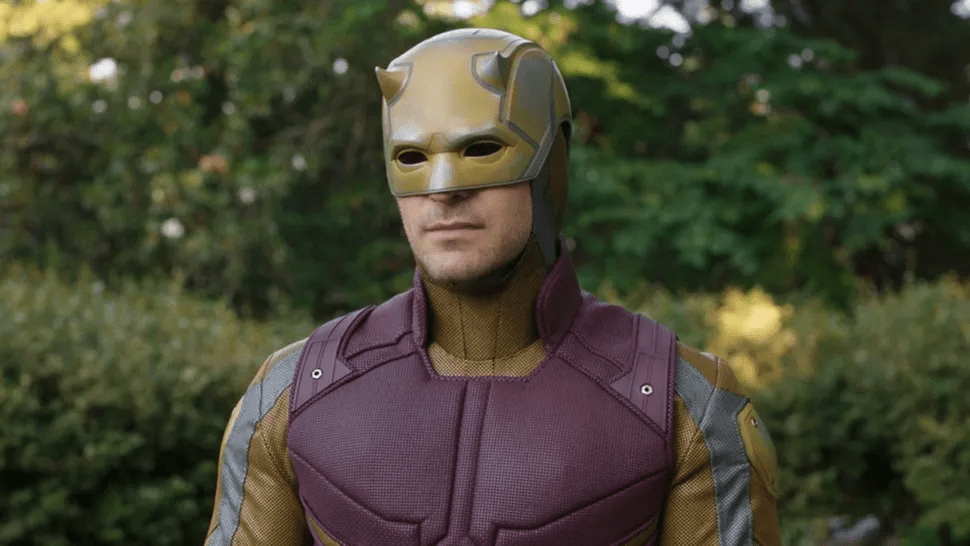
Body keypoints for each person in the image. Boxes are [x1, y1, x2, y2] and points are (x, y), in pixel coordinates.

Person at [205, 28, 779, 546]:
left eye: (481, 150)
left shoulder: (687, 405)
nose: (443, 190)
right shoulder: (290, 395)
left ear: (554, 161)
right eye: (412, 157)